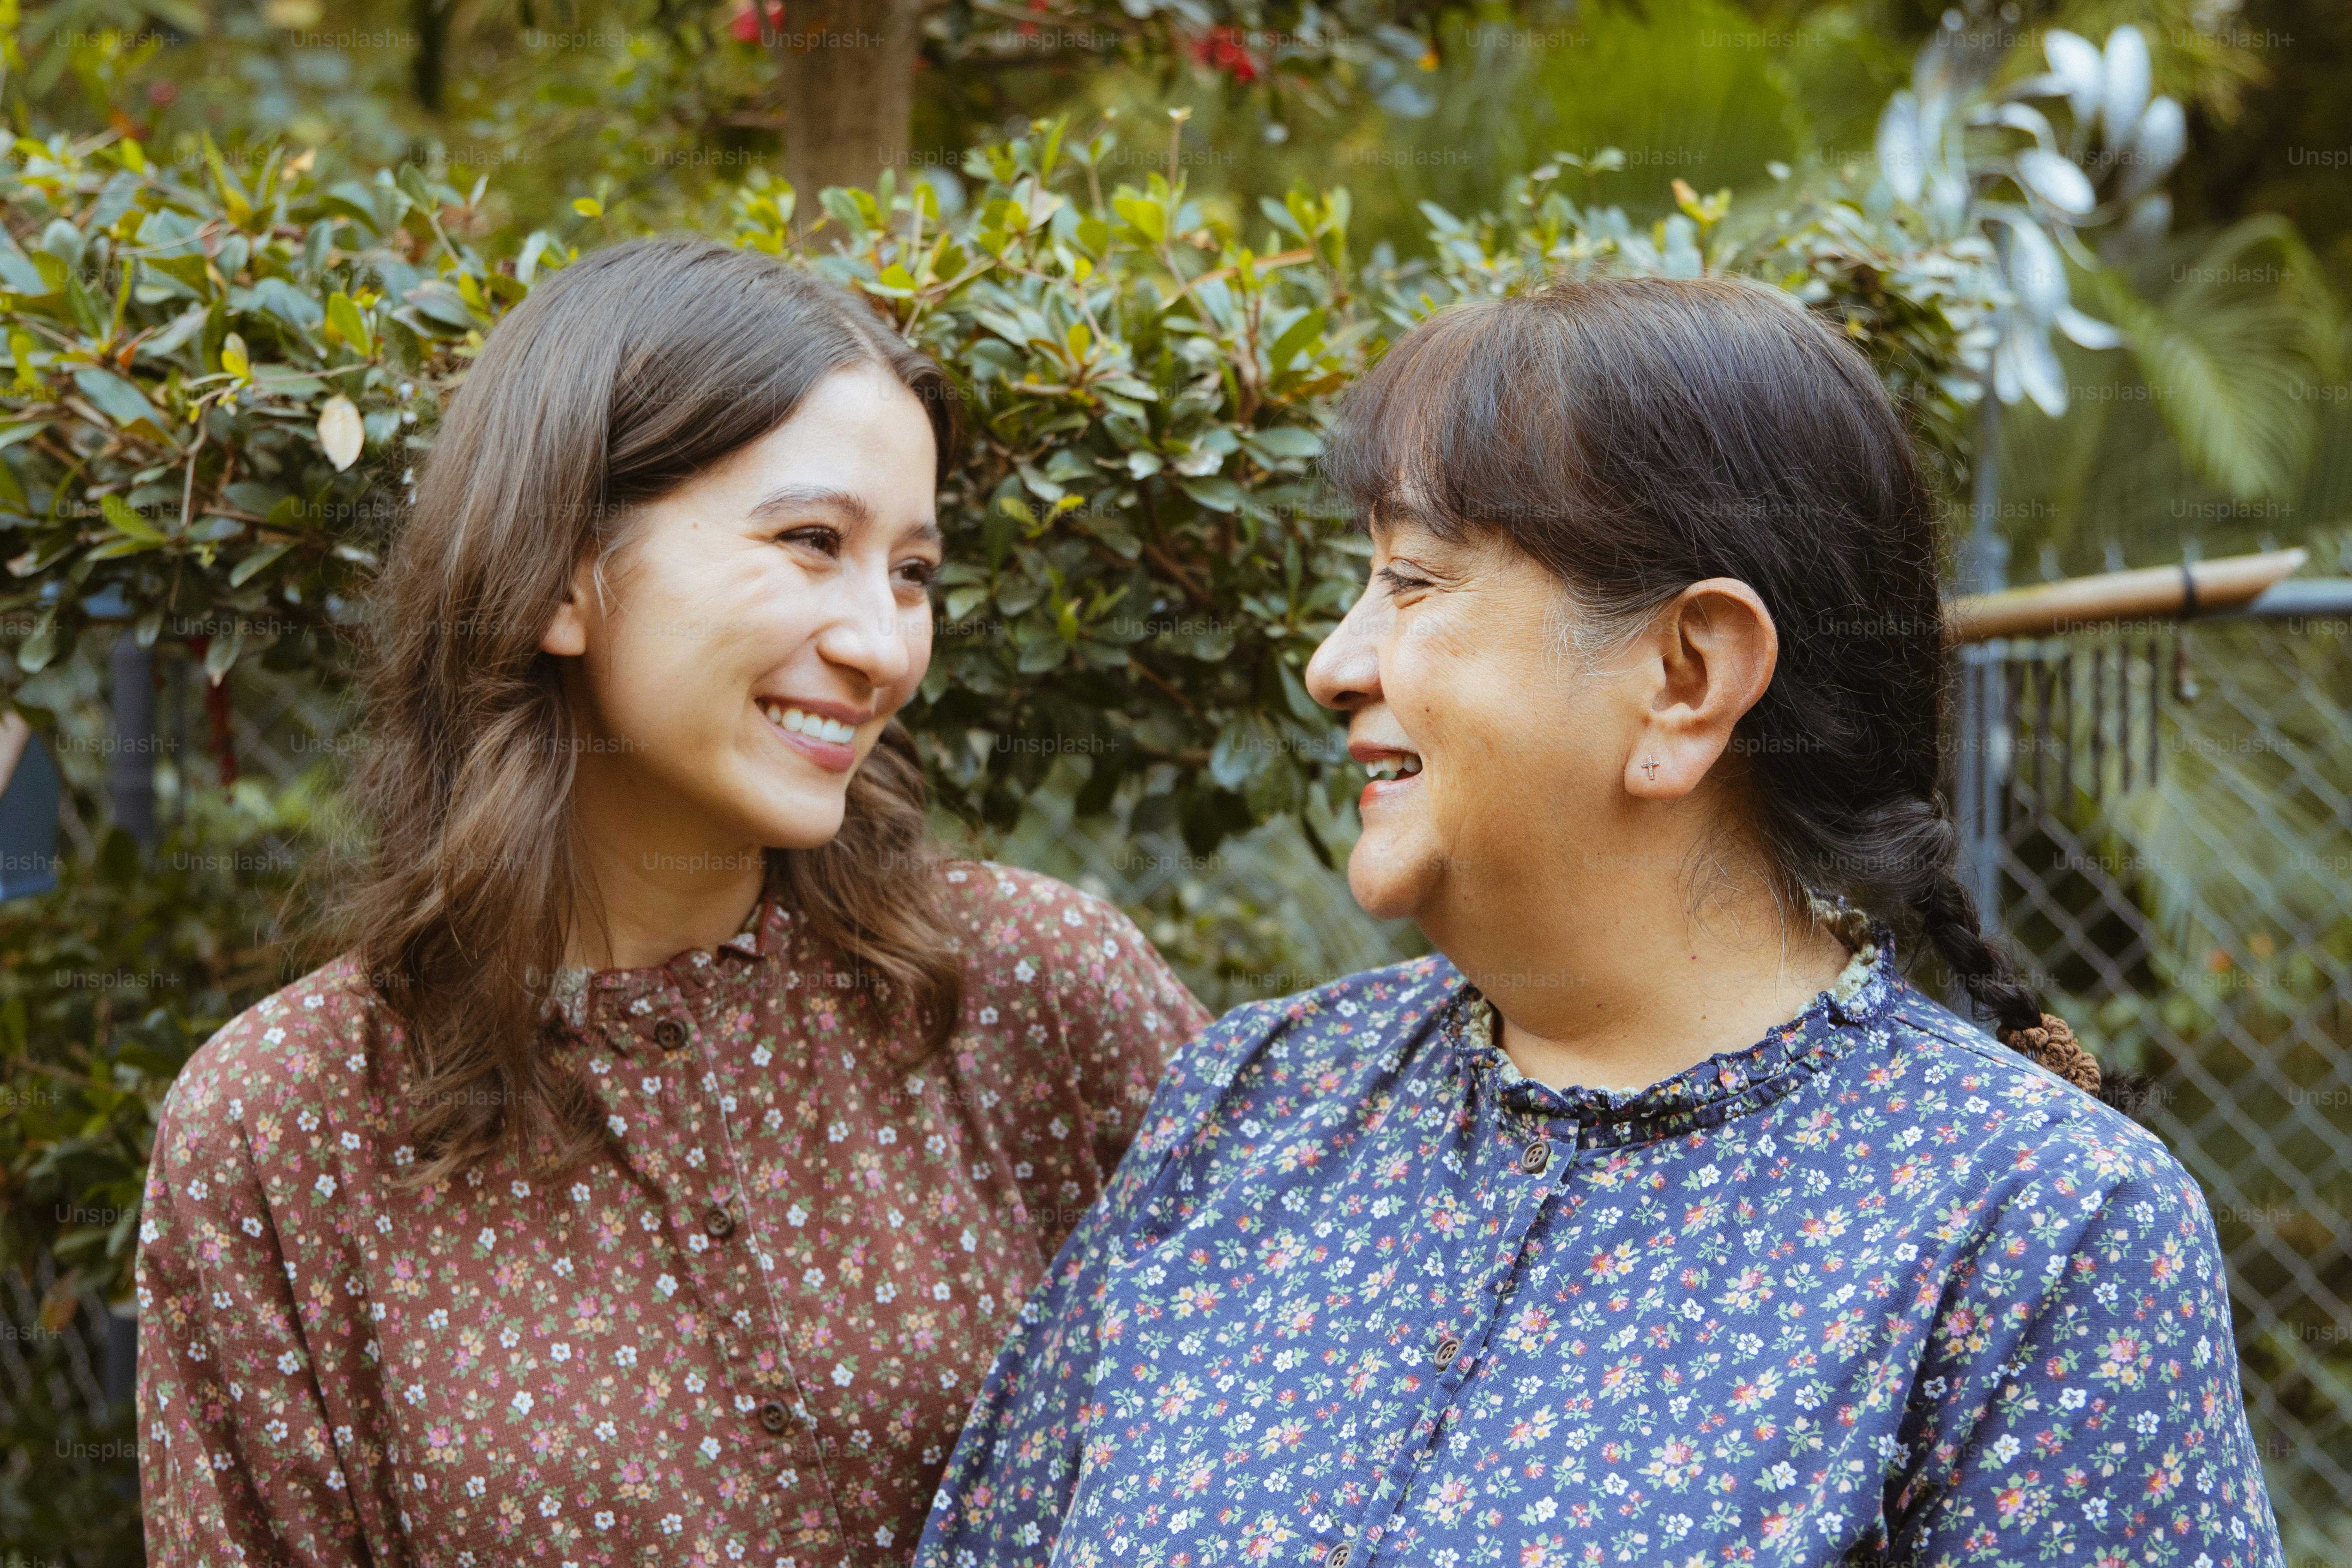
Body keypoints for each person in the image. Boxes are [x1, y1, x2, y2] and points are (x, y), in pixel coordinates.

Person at [916, 277, 2286, 1567]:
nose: (1333, 663)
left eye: (1414, 582)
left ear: (1684, 675)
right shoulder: (1256, 1102)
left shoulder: (2040, 1227)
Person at [133, 236, 1212, 1568]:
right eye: (810, 542)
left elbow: (1294, 1456)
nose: (882, 644)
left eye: (913, 571)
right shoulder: (279, 1126)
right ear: (559, 575)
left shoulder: (1035, 990)